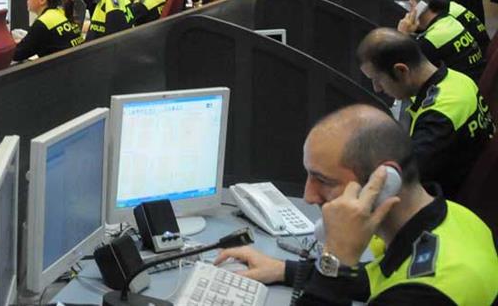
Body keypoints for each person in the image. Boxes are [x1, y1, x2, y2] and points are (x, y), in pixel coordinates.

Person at [213, 104, 498, 305]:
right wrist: (284, 269)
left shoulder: (424, 294)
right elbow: (376, 278)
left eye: (322, 180)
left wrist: (337, 255)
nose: (309, 196)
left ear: (383, 181)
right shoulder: (456, 218)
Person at [356, 28, 493, 200]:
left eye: (377, 79)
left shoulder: (439, 118)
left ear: (401, 71)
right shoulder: (458, 79)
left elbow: (401, 182)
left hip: (451, 200)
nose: (377, 89)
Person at [397, 0, 485, 81]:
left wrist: (401, 35)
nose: (409, 10)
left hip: (457, 86)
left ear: (422, 7)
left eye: (411, 5)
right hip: (473, 79)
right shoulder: (450, 21)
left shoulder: (432, 40)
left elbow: (404, 68)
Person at [13, 0, 83, 61]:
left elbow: (17, 55)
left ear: (42, 0)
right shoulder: (63, 13)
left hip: (60, 67)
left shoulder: (43, 23)